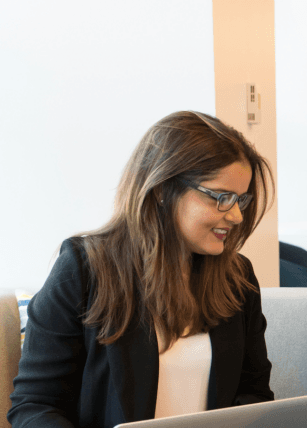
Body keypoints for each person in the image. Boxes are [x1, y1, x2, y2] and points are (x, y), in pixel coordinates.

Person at [8, 111, 275, 427]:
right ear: (161, 189)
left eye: (240, 200)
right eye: (221, 197)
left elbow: (254, 395)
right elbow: (34, 406)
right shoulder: (84, 268)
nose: (236, 216)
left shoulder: (237, 278)